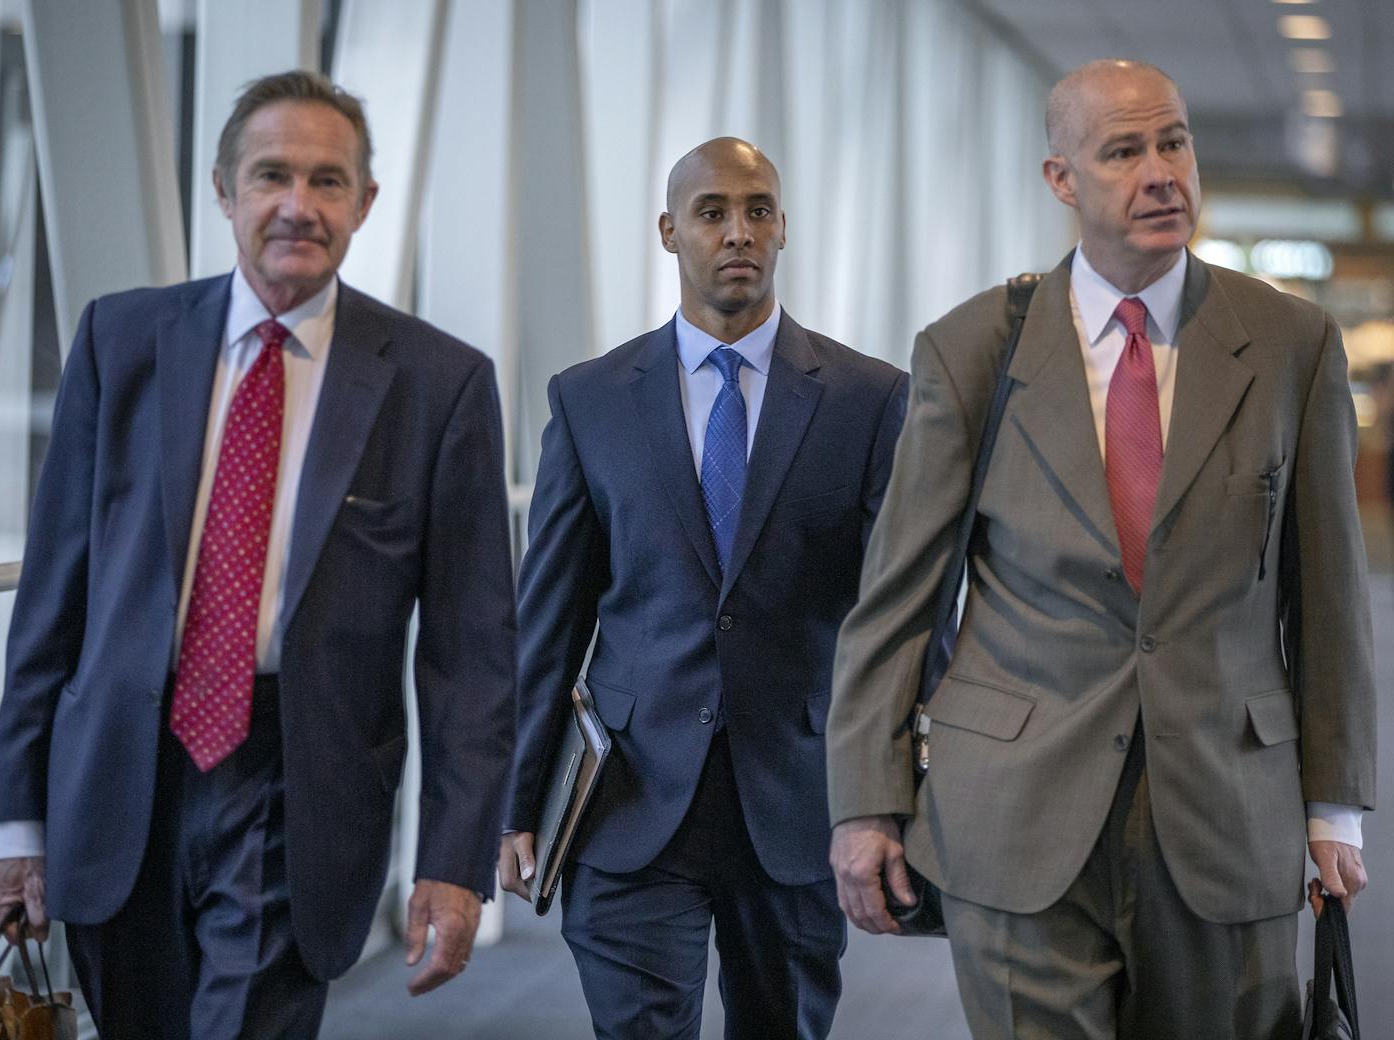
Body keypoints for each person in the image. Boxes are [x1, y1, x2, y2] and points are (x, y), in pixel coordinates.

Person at [827, 59, 1376, 1039]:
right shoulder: (971, 350)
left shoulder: (1290, 342)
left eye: (1172, 141)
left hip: (1225, 809)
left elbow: (1326, 595)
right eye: (1122, 151)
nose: (1159, 170)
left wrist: (1332, 803)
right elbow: (897, 600)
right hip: (1013, 811)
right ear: (1060, 179)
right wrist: (864, 801)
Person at [0, 70, 516, 1039]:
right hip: (120, 772)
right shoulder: (119, 340)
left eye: (327, 180)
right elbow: (53, 598)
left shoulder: (441, 385)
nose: (297, 206)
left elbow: (471, 655)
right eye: (272, 175)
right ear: (224, 190)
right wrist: (19, 823)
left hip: (296, 777)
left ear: (364, 203)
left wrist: (452, 854)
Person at [499, 137, 906, 1039]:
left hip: (796, 797)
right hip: (630, 796)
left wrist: (905, 792)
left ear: (784, 229)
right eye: (712, 212)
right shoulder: (591, 399)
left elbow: (899, 616)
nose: (737, 232)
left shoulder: (869, 399)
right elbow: (551, 621)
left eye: (758, 211)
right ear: (668, 231)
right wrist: (517, 801)